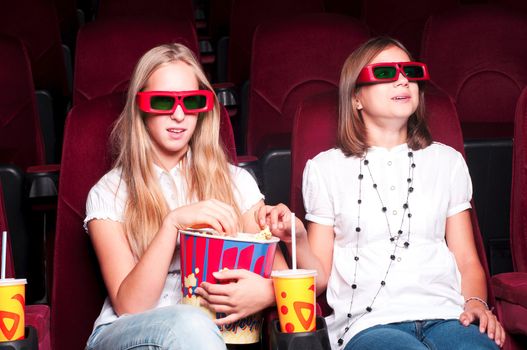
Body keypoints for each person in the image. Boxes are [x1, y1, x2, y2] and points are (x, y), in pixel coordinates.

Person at [257, 37, 505, 350]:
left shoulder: (447, 161)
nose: (402, 80)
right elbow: (319, 274)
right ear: (356, 98)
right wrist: (297, 238)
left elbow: (467, 259)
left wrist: (475, 304)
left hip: (448, 316)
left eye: (409, 72)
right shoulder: (325, 168)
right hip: (368, 324)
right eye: (386, 73)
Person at [84, 43, 286, 350]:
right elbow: (131, 306)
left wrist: (268, 293)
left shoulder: (236, 182)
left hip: (211, 337)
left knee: (195, 325)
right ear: (140, 106)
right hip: (125, 335)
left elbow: (286, 278)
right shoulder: (109, 192)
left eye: (191, 101)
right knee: (191, 321)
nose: (179, 115)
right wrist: (171, 225)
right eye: (163, 102)